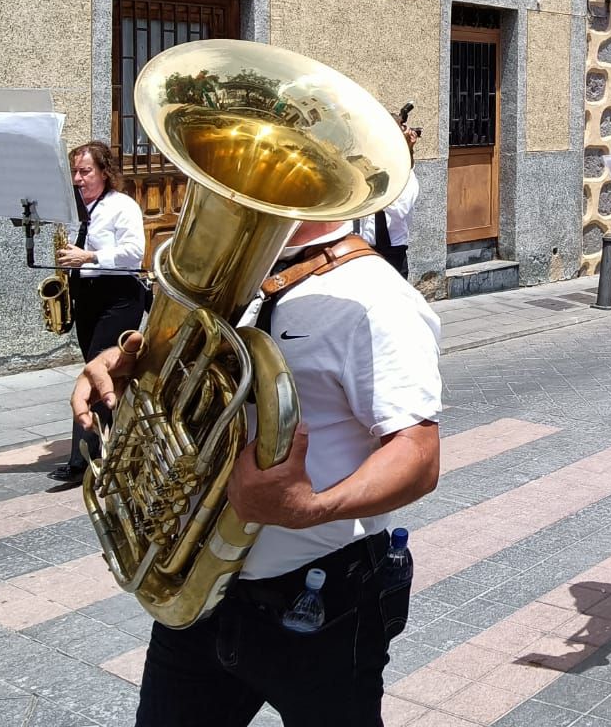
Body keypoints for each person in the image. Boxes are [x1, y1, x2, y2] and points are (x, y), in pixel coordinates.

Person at [71, 211, 443, 726]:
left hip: (319, 601)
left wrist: (310, 506)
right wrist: (124, 362)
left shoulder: (377, 298)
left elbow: (419, 455)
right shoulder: (226, 283)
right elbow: (177, 375)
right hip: (198, 589)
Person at [50, 141, 146, 489]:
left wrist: (89, 257)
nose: (78, 178)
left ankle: (82, 461)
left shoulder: (122, 207)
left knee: (94, 372)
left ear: (105, 172)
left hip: (118, 296)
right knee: (101, 374)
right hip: (86, 297)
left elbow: (134, 252)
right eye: (75, 172)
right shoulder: (76, 209)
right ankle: (113, 444)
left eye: (85, 171)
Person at [357, 122, 421, 277]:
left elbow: (401, 210)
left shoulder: (407, 178)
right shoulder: (370, 173)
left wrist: (378, 191)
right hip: (364, 247)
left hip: (392, 252)